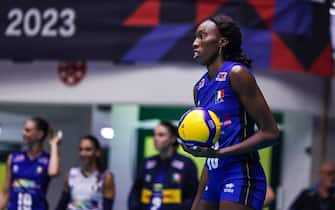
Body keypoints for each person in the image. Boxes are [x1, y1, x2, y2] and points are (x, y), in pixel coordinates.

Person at [179, 14, 279, 210]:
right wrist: (196, 202)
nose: (195, 43)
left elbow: (271, 133)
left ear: (222, 42)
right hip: (213, 175)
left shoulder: (236, 74)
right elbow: (211, 155)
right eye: (195, 37)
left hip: (240, 173)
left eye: (202, 36)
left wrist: (222, 153)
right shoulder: (199, 87)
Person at [128, 121, 199, 210]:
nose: (155, 138)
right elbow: (134, 195)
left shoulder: (187, 164)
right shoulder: (146, 163)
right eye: (154, 134)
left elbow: (192, 198)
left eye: (161, 135)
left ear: (173, 138)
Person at [0, 117, 61, 210]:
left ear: (40, 134)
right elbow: (5, 193)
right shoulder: (13, 158)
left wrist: (54, 144)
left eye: (27, 130)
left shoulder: (47, 159)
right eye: (24, 130)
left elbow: (53, 172)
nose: (23, 133)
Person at [55, 135, 115, 210]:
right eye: (81, 149)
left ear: (97, 152)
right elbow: (62, 204)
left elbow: (108, 206)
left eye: (88, 150)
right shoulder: (72, 174)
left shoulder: (106, 176)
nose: (83, 153)